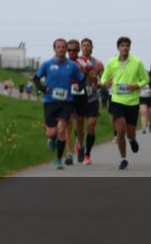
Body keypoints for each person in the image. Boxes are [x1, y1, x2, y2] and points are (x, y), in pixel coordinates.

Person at [33, 38, 84, 169]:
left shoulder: (72, 66)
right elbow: (36, 78)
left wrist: (79, 86)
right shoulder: (47, 64)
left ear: (66, 49)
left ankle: (58, 160)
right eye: (58, 47)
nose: (61, 49)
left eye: (63, 47)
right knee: (52, 133)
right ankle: (51, 138)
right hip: (50, 101)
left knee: (61, 129)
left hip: (66, 102)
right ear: (54, 49)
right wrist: (42, 88)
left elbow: (82, 79)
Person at [100, 36, 149, 170]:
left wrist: (136, 85)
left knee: (130, 132)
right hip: (117, 100)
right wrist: (105, 83)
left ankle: (132, 139)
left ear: (130, 48)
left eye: (127, 45)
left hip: (132, 101)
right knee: (121, 129)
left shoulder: (137, 62)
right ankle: (123, 158)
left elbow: (145, 79)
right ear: (118, 48)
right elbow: (103, 79)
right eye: (122, 45)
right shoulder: (111, 62)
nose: (125, 48)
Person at [76, 38, 104, 164]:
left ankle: (87, 154)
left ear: (92, 48)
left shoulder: (97, 64)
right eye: (84, 45)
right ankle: (81, 145)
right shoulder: (76, 62)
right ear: (81, 48)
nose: (86, 47)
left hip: (92, 98)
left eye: (88, 45)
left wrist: (99, 84)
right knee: (80, 127)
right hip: (79, 98)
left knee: (91, 126)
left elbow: (104, 79)